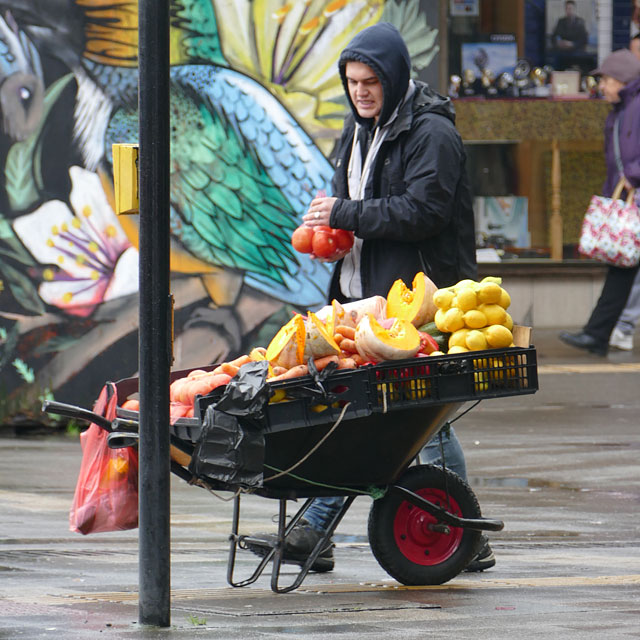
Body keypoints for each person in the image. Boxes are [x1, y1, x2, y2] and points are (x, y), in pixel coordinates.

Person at [245, 22, 495, 575]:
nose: (360, 91)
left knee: (427, 424)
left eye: (370, 81)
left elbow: (423, 211)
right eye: (353, 81)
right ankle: (316, 533)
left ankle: (462, 535)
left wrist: (344, 215)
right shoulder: (360, 129)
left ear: (395, 76)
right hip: (365, 303)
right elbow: (352, 204)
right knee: (361, 419)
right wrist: (335, 242)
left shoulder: (433, 134)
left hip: (419, 303)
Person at [559, 48, 640, 355]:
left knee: (621, 271)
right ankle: (596, 335)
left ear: (622, 79)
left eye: (605, 80)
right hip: (633, 204)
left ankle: (596, 334)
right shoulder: (621, 111)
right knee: (620, 270)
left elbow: (628, 163)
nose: (602, 87)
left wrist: (632, 175)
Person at [549, 0, 591, 71]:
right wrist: (558, 43)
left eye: (570, 9)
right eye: (567, 9)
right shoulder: (561, 21)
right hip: (563, 51)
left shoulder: (580, 22)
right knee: (555, 58)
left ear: (574, 9)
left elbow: (584, 39)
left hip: (576, 50)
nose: (569, 11)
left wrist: (572, 44)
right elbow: (553, 36)